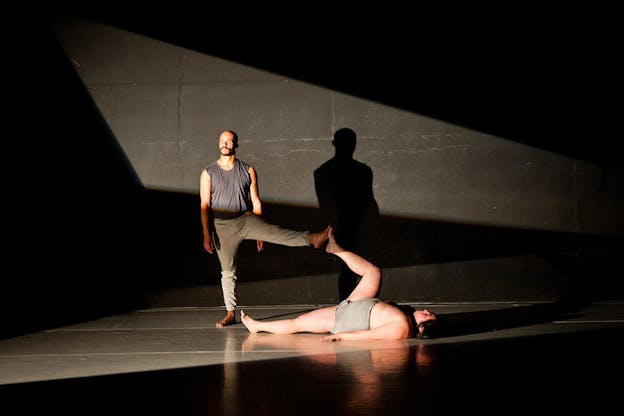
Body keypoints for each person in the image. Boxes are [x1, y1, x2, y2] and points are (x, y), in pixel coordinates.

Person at [200, 130, 331, 328]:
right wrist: (205, 234)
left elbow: (255, 201)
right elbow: (204, 206)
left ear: (236, 144)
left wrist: (259, 231)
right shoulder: (208, 172)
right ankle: (230, 313)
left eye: (229, 141)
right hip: (222, 227)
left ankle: (313, 239)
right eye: (221, 140)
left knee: (277, 232)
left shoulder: (248, 170)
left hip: (245, 219)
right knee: (228, 272)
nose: (224, 144)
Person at [241, 227, 439, 341]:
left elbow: (370, 335)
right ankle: (335, 250)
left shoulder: (403, 329)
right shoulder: (406, 318)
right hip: (361, 304)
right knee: (374, 272)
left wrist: (342, 337)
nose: (425, 310)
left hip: (348, 320)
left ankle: (257, 326)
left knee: (298, 323)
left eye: (427, 315)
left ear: (423, 326)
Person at [314, 128, 380, 300]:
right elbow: (326, 204)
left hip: (358, 227)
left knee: (356, 270)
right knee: (349, 271)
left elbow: (368, 200)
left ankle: (352, 308)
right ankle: (349, 308)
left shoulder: (325, 171)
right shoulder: (325, 172)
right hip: (344, 228)